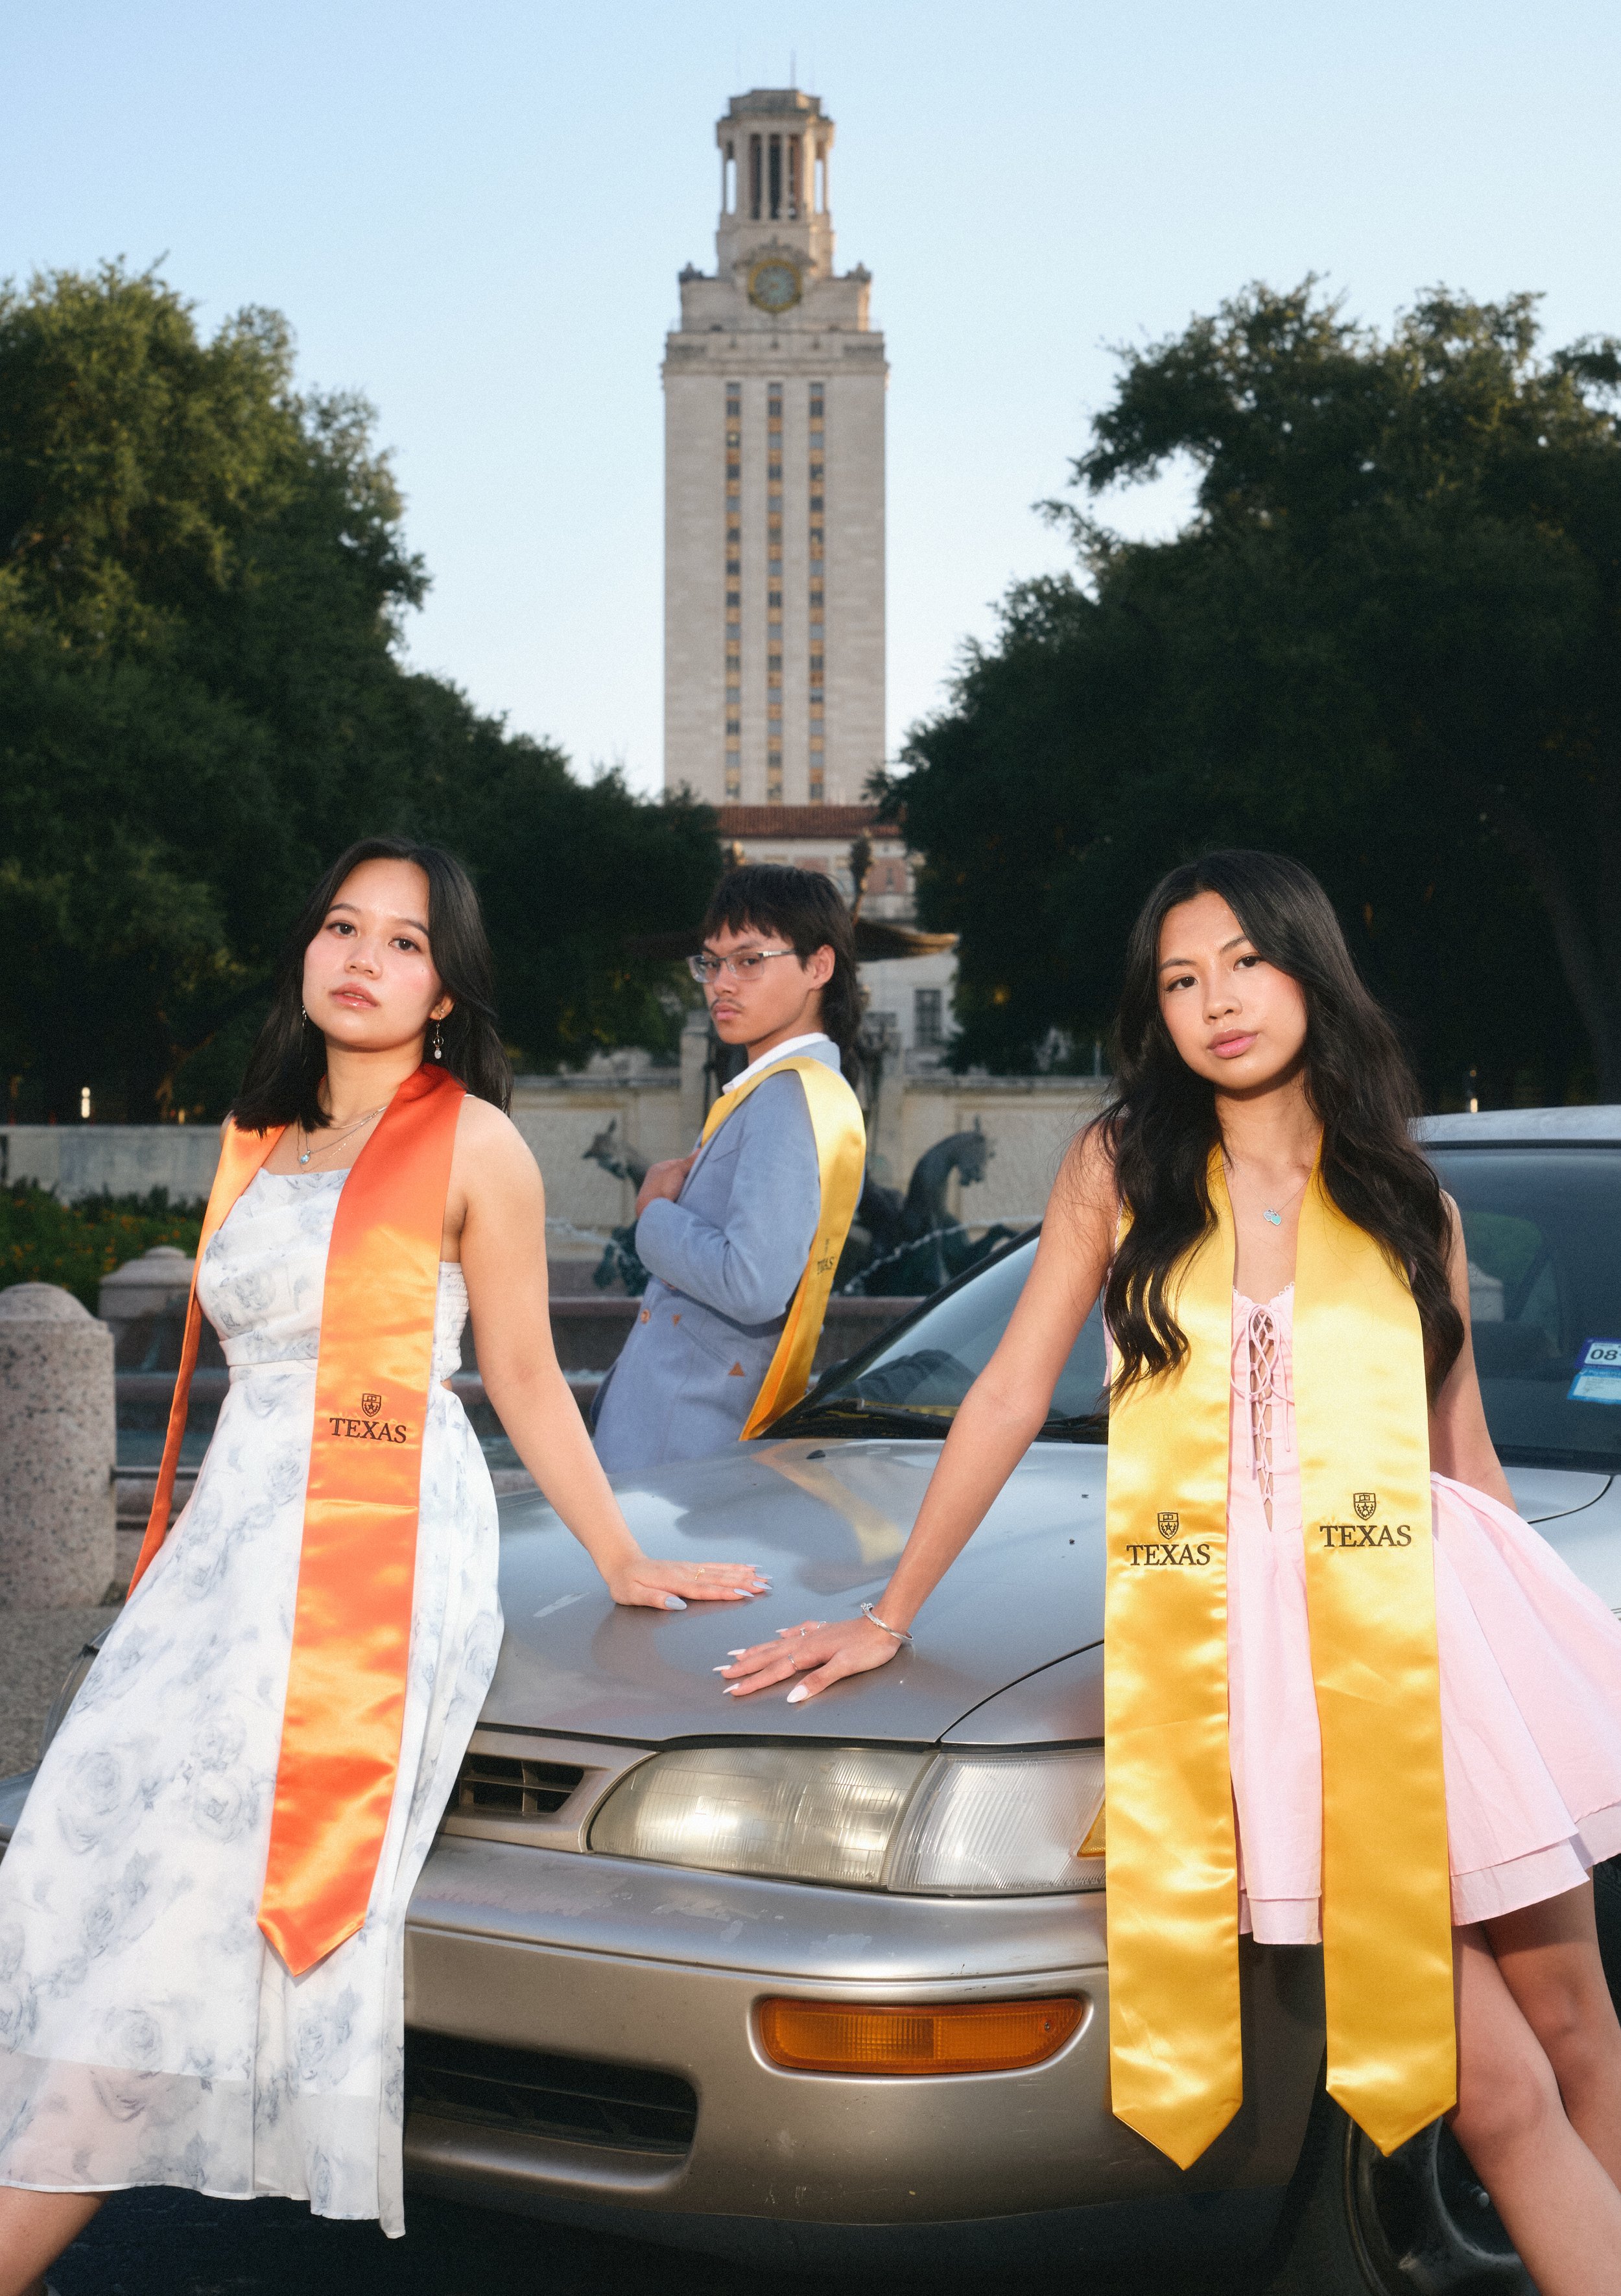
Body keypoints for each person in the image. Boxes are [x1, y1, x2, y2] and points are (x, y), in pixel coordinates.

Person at [723, 849, 1621, 2296]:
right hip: (1266, 1676)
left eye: (1246, 963)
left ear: (1310, 971)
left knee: (1579, 2027)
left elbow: (1461, 1458)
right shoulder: (1123, 1172)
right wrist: (890, 1613)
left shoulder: (1409, 1201)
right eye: (1182, 980)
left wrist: (1545, 1674)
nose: (1218, 1002)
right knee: (1500, 2091)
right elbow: (1009, 1391)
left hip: (1431, 1646)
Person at [0, 836, 765, 2293]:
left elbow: (525, 1376)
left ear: (444, 990)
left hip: (372, 1546)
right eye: (343, 928)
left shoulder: (473, 1143)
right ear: (306, 951)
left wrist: (623, 1556)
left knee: (172, 1922)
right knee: (76, 1873)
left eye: (405, 942)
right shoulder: (257, 1137)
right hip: (230, 1555)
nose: (364, 958)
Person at [591, 862, 866, 1469]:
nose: (721, 984)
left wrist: (653, 1215)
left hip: (681, 1442)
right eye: (711, 964)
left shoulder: (788, 1096)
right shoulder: (795, 1088)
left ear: (818, 967)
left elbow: (753, 1284)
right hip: (686, 1434)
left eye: (749, 961)